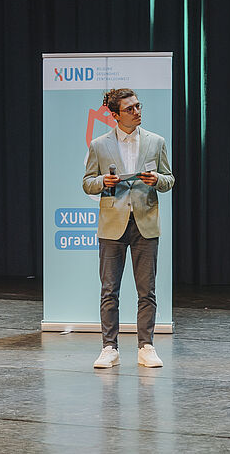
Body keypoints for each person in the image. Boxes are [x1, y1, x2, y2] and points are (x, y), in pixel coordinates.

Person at [83, 88, 175, 369]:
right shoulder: (99, 145)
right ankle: (109, 347)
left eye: (138, 106)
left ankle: (146, 346)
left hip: (145, 222)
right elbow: (87, 182)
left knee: (147, 290)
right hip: (113, 224)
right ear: (115, 115)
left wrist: (157, 179)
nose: (137, 112)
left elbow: (169, 179)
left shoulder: (156, 141)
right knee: (109, 290)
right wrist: (103, 182)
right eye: (129, 109)